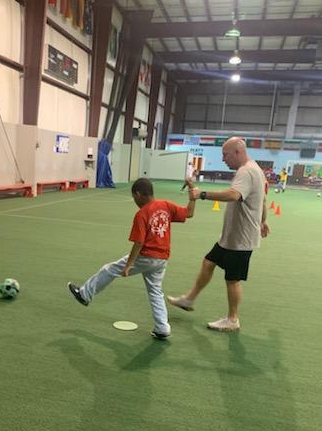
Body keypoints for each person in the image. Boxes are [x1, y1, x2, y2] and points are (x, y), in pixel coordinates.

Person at [68, 177, 197, 339]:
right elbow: (189, 213)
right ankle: (162, 328)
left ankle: (85, 294)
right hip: (162, 259)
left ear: (138, 194)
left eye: (134, 197)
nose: (134, 201)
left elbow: (139, 242)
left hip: (146, 256)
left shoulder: (142, 214)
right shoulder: (166, 205)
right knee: (155, 291)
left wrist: (129, 264)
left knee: (109, 269)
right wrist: (192, 192)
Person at [168, 137, 270, 332]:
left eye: (225, 154)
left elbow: (233, 195)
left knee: (232, 279)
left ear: (237, 152)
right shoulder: (254, 168)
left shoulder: (246, 171)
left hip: (240, 239)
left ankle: (232, 319)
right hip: (231, 238)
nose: (223, 159)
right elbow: (262, 200)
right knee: (209, 262)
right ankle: (189, 299)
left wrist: (202, 194)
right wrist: (263, 221)